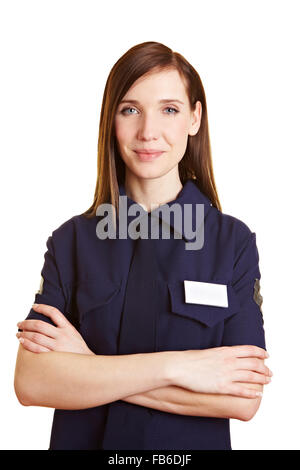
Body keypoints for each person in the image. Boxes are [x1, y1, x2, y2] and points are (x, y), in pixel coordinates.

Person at [14, 41, 271, 450]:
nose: (148, 131)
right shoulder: (70, 243)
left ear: (194, 118)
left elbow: (242, 398)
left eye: (169, 109)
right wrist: (182, 367)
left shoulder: (233, 244)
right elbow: (31, 382)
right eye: (130, 109)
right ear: (110, 120)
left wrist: (87, 368)